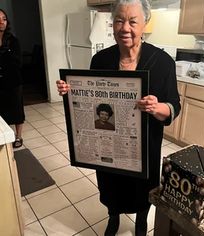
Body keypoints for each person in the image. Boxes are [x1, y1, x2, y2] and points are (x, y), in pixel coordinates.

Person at [57, 0, 181, 235]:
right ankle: (113, 217)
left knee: (143, 186)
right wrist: (70, 89)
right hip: (108, 141)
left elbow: (174, 105)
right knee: (111, 183)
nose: (125, 28)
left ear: (145, 23)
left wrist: (158, 107)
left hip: (145, 144)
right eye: (119, 20)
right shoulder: (101, 59)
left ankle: (142, 220)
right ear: (112, 24)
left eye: (133, 21)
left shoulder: (163, 62)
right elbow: (91, 95)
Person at [0, 9, 25, 148]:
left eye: (4, 19)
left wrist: (7, 52)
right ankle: (5, 136)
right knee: (2, 109)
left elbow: (18, 62)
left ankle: (19, 136)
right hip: (0, 82)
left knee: (17, 109)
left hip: (14, 81)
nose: (1, 22)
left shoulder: (13, 40)